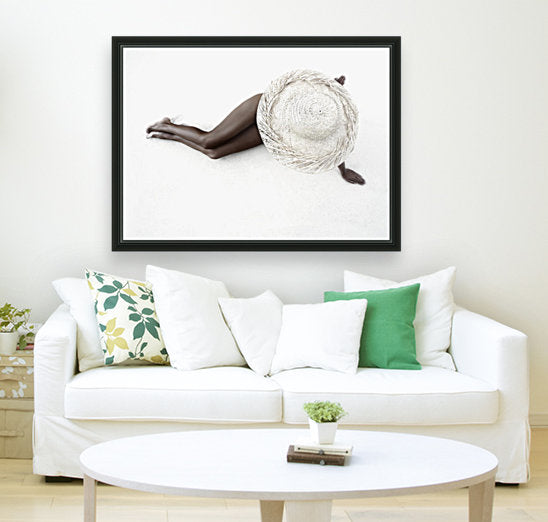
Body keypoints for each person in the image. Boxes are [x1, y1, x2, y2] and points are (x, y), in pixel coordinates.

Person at [146, 74, 365, 185]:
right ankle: (168, 125)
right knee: (209, 140)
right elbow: (309, 83)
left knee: (214, 154)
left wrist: (343, 171)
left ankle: (170, 134)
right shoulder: (315, 97)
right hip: (260, 107)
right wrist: (333, 84)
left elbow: (335, 144)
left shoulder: (331, 120)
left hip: (269, 132)